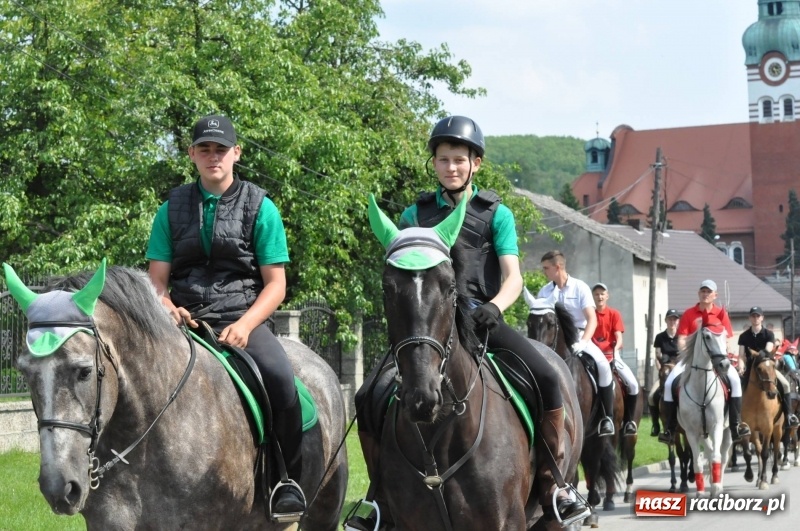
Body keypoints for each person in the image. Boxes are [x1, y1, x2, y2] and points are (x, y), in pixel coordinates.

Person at [347, 116, 589, 530]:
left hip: (483, 321)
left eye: (459, 160)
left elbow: (513, 277)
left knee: (549, 378)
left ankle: (554, 487)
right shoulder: (414, 213)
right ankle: (379, 497)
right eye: (443, 160)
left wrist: (494, 307)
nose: (451, 167)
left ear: (475, 163)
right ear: (435, 164)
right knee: (369, 395)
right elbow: (407, 275)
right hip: (429, 324)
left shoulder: (496, 214)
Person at [145, 114, 305, 520]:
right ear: (191, 155)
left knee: (282, 380)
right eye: (204, 149)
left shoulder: (261, 207)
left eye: (221, 149)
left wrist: (246, 325)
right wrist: (167, 308)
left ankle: (287, 481)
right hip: (184, 319)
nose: (213, 156)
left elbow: (276, 285)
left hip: (242, 316)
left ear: (236, 153)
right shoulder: (170, 208)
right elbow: (157, 282)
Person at [658, 280, 750, 445]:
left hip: (718, 359)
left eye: (709, 292)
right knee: (668, 383)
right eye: (703, 291)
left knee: (735, 381)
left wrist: (722, 355)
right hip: (691, 359)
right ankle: (670, 428)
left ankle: (736, 425)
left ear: (715, 295)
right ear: (698, 293)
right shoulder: (688, 314)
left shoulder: (721, 314)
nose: (705, 294)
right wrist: (687, 355)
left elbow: (727, 338)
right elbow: (682, 339)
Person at [537, 251, 615, 437]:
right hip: (553, 340)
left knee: (603, 366)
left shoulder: (580, 288)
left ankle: (607, 417)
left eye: (546, 268)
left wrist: (583, 342)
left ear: (558, 267)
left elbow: (592, 320)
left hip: (579, 337)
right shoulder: (545, 291)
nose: (544, 272)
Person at [738, 307, 799, 429]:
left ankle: (789, 416)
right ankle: (735, 419)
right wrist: (740, 366)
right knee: (734, 388)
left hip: (767, 367)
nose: (755, 318)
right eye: (753, 316)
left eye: (757, 316)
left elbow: (768, 350)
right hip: (750, 369)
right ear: (750, 318)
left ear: (762, 318)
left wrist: (758, 355)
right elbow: (740, 355)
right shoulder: (744, 336)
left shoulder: (769, 334)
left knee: (786, 384)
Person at [591, 283, 640, 436]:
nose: (599, 296)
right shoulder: (589, 314)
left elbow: (619, 337)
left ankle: (629, 421)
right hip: (592, 355)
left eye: (602, 294)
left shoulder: (614, 314)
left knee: (632, 384)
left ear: (607, 296)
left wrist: (615, 348)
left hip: (612, 354)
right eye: (596, 294)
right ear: (593, 296)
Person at [648, 309, 681, 436]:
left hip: (679, 372)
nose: (672, 321)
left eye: (674, 319)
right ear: (666, 321)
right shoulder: (660, 337)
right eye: (670, 319)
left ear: (678, 321)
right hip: (665, 372)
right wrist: (661, 370)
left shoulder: (682, 336)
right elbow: (657, 356)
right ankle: (656, 425)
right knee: (651, 396)